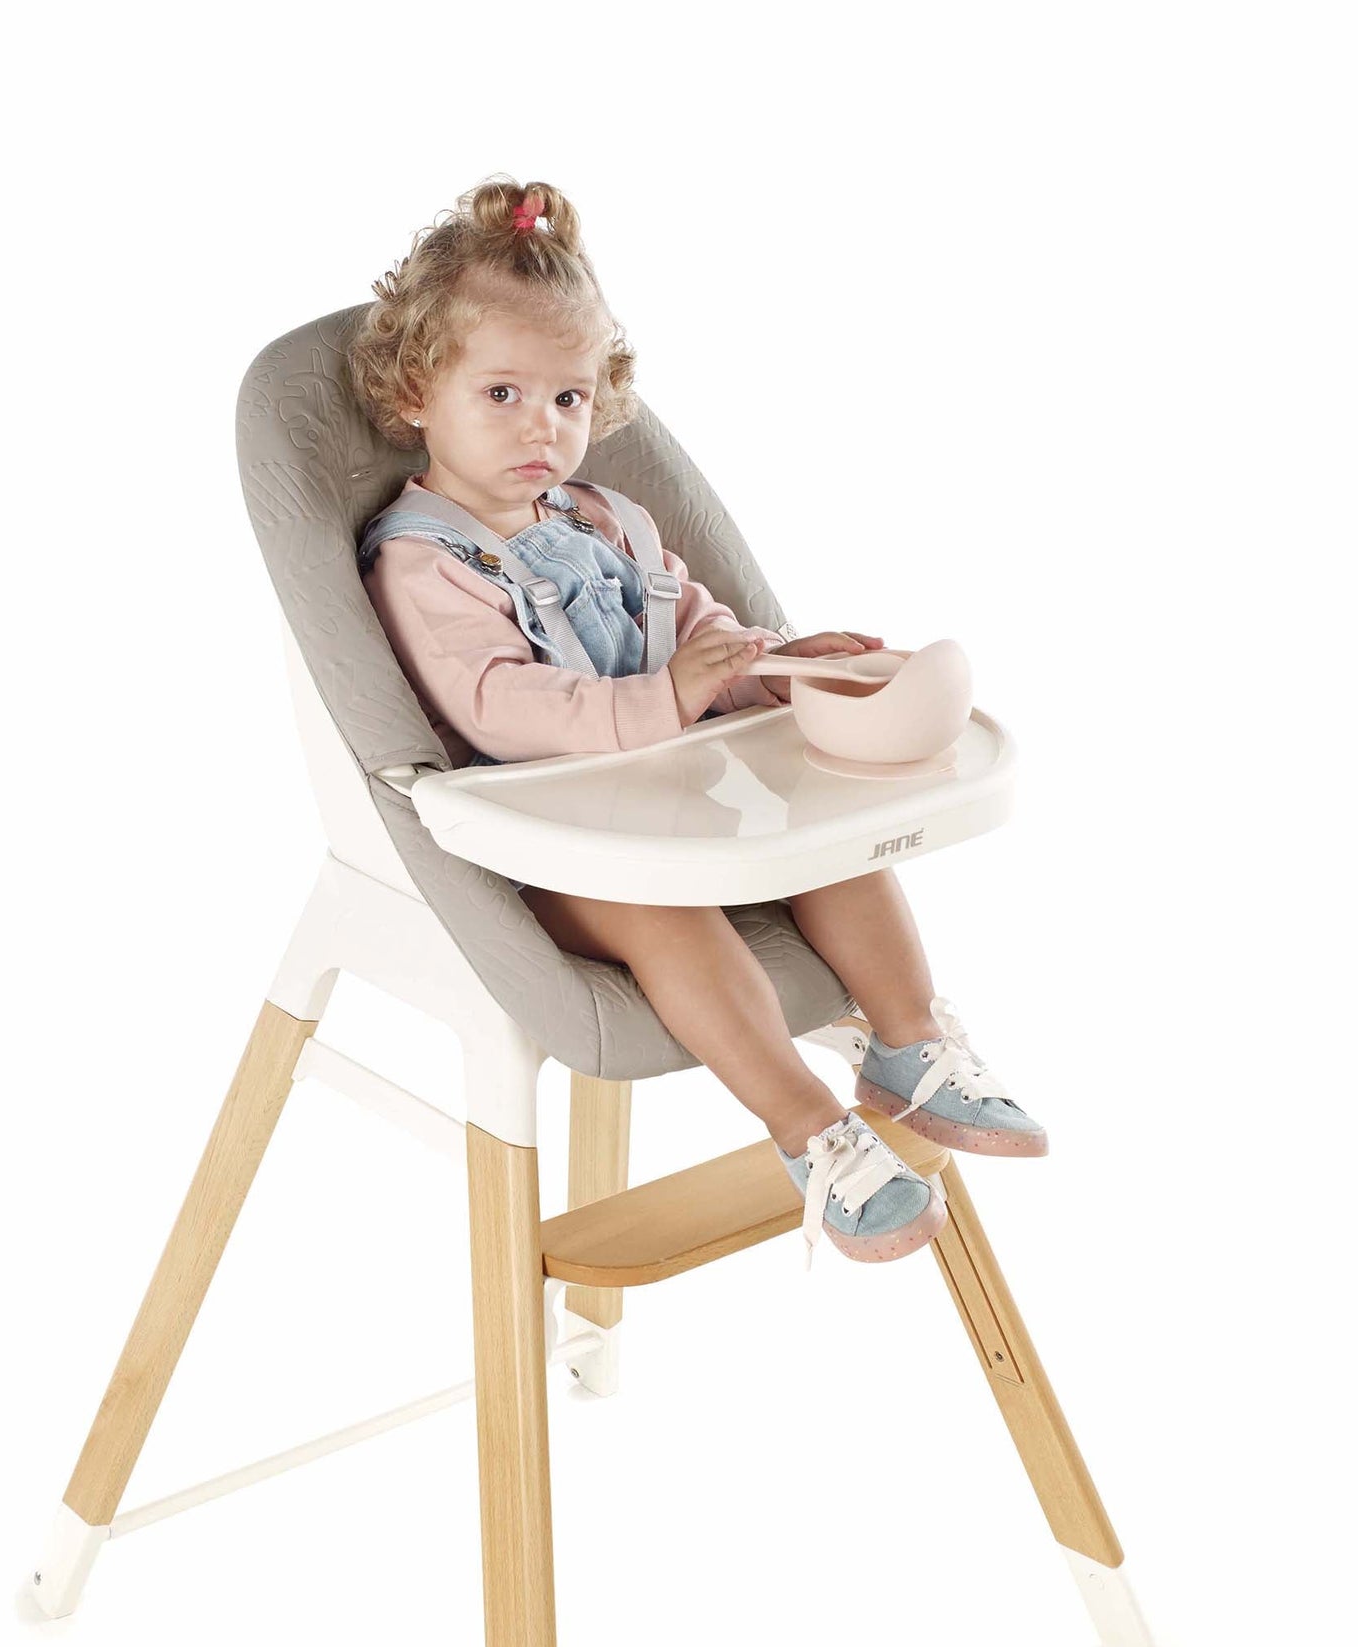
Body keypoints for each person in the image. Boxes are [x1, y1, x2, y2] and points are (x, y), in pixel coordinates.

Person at [351, 177, 1045, 1267]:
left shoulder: (606, 520)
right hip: (555, 854)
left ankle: (908, 1045)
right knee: (668, 920)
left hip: (682, 806)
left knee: (838, 848)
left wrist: (762, 670)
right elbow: (493, 705)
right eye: (502, 394)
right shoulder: (424, 558)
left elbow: (687, 620)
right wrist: (663, 699)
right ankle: (811, 1132)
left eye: (569, 399)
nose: (544, 426)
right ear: (413, 392)